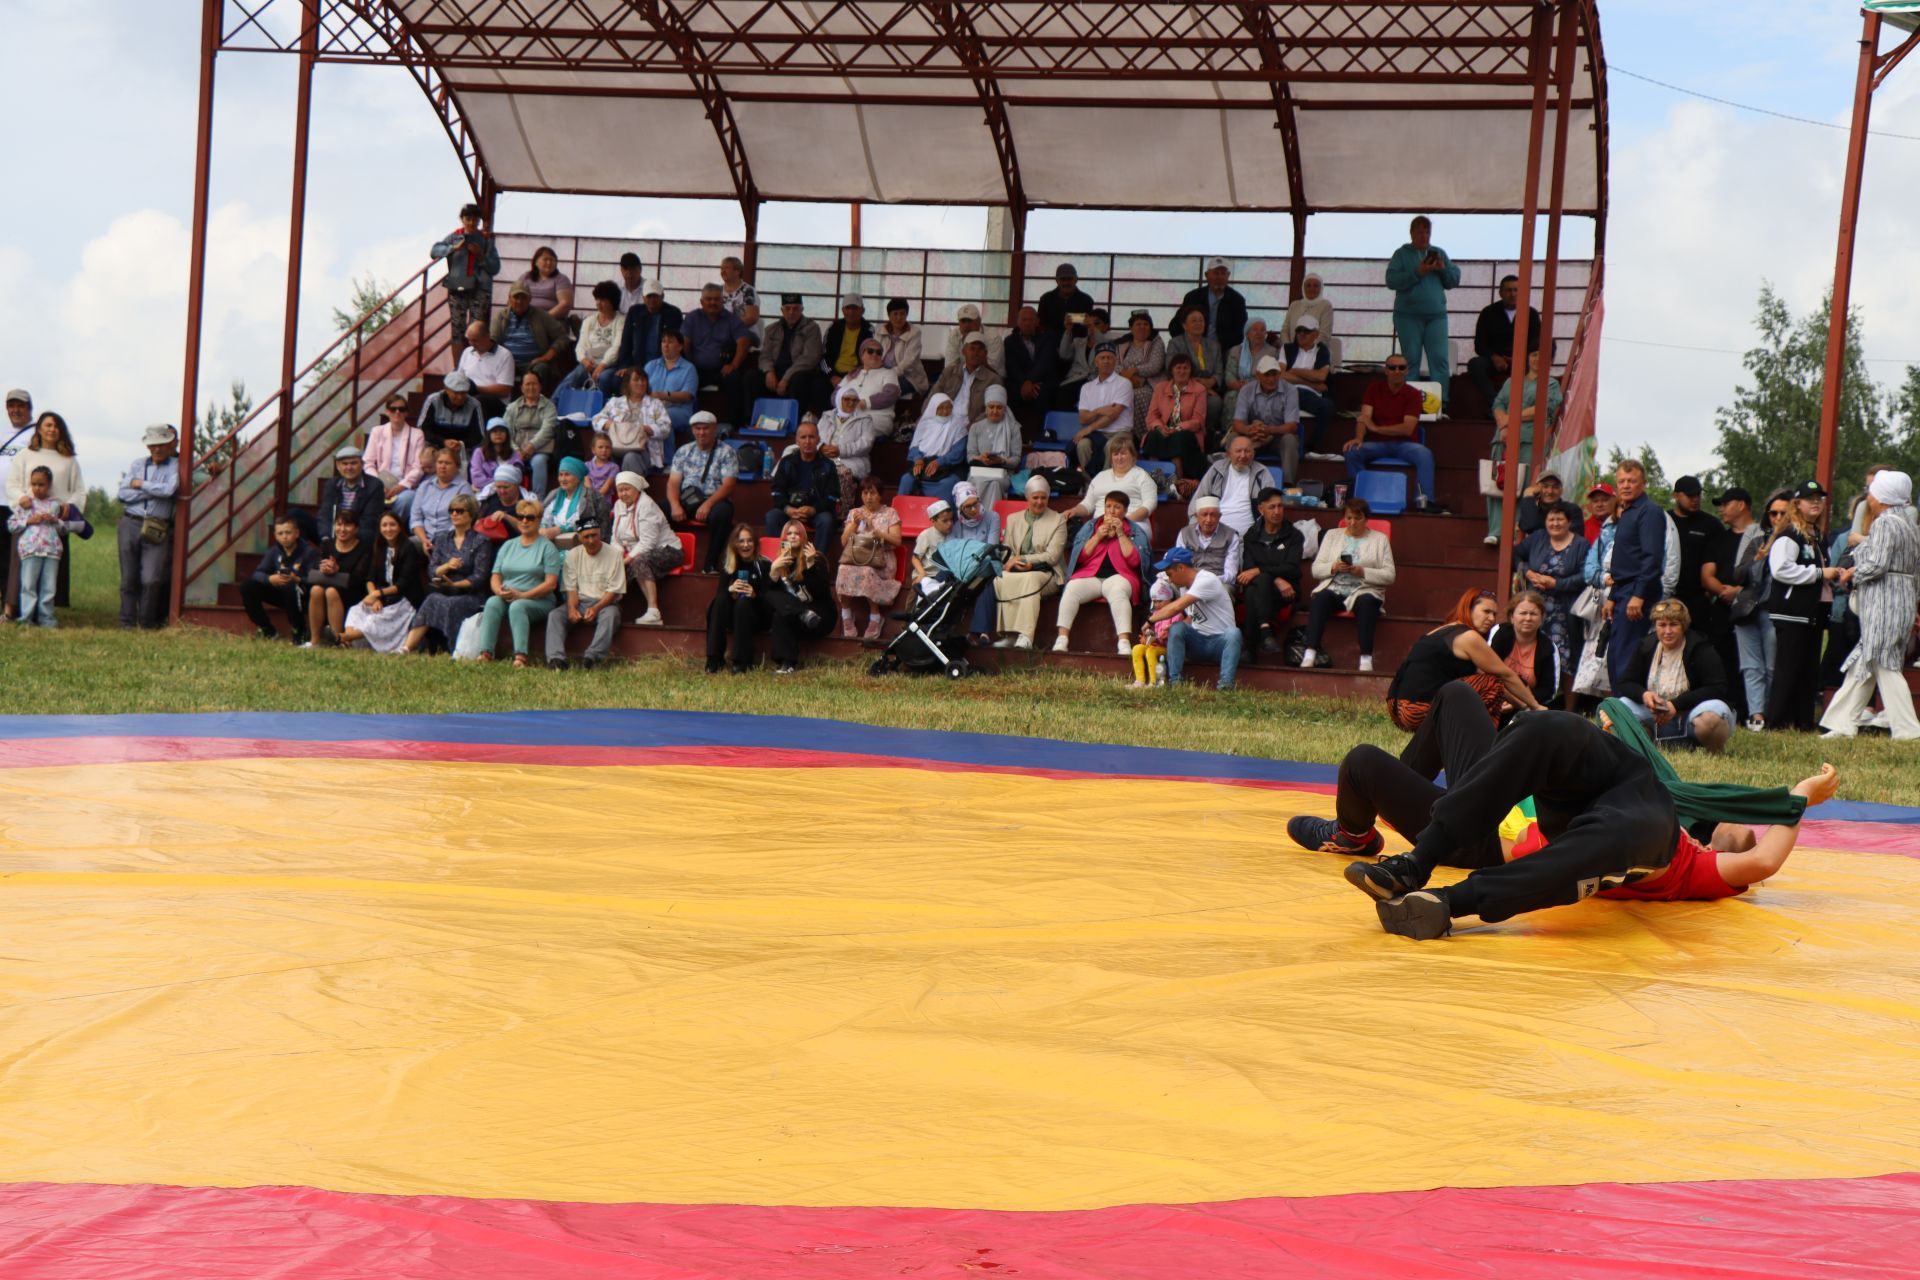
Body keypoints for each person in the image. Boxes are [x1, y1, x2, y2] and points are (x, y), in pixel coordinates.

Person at [1299, 703, 1837, 922]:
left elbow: (1763, 862)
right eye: (1740, 825)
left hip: (1485, 843)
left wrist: (1796, 800)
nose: (1735, 829)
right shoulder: (1663, 793)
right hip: (1491, 797)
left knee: (1363, 762)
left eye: (1735, 834)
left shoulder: (1688, 865)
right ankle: (1368, 839)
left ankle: (1444, 896)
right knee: (1466, 699)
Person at [1820, 469, 1920, 739]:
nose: (1869, 498)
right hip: (1902, 597)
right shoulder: (1910, 525)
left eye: (1873, 492)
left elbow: (1877, 564)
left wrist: (1854, 573)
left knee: (1882, 661)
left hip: (1884, 599)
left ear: (1884, 497)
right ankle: (1841, 723)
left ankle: (1908, 728)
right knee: (1866, 661)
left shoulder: (1886, 523)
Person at [1385, 588, 1544, 755]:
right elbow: (1505, 675)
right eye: (1486, 611)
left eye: (1494, 614)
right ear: (1468, 608)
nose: (1491, 618)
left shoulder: (1444, 630)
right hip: (1415, 709)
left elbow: (1484, 676)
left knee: (1486, 683)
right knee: (1492, 684)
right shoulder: (1467, 637)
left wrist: (1521, 705)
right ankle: (1484, 750)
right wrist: (1535, 706)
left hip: (1396, 707)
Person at [1613, 598, 1734, 749]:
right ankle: (1646, 738)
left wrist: (1675, 705)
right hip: (1655, 711)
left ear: (1683, 626)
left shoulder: (1700, 648)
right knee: (1617, 708)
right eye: (1662, 625)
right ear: (1655, 627)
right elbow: (1626, 682)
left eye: (1674, 625)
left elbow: (1718, 687)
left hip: (1691, 712)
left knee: (1711, 719)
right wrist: (1644, 695)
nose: (1667, 631)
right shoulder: (1646, 645)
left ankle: (1711, 747)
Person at [1299, 497, 1394, 672]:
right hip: (1335, 587)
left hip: (1364, 589)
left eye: (1357, 518)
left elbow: (1390, 575)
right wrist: (1333, 567)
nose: (1352, 523)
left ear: (1366, 519)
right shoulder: (1332, 535)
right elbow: (1315, 570)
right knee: (1320, 599)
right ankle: (1310, 653)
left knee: (1367, 602)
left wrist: (1363, 572)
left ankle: (1366, 658)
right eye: (1349, 518)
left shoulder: (1380, 540)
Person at [5, 409, 84, 618]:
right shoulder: (25, 455)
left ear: (62, 431)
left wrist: (70, 505)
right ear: (39, 428)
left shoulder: (69, 460)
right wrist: (20, 498)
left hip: (54, 521)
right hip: (29, 519)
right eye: (48, 425)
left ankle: (46, 612)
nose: (52, 430)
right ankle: (17, 609)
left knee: (51, 571)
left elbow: (78, 489)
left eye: (56, 426)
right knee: (21, 568)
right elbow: (12, 483)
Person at [470, 498, 565, 666]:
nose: (524, 521)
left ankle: (521, 656)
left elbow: (551, 584)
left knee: (518, 606)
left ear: (539, 520)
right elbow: (495, 575)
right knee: (492, 602)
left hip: (539, 600)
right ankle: (486, 652)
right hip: (509, 596)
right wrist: (499, 591)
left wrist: (523, 595)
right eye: (520, 517)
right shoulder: (508, 545)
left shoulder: (547, 548)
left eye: (530, 517)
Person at [1344, 354, 1442, 514]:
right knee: (1352, 451)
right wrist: (1359, 438)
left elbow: (1407, 428)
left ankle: (1425, 502)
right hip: (1376, 444)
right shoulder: (1373, 388)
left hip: (1405, 444)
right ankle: (1359, 500)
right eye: (1392, 367)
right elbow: (1363, 418)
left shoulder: (1414, 394)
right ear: (1386, 370)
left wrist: (1375, 428)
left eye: (1402, 367)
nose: (1397, 371)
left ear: (1407, 371)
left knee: (1425, 454)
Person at [1484, 346, 1563, 544]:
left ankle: (1516, 530)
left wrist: (1509, 420)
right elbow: (1498, 404)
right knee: (1497, 484)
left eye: (1542, 355)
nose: (1537, 358)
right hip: (1503, 439)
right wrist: (1503, 424)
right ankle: (1496, 530)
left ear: (1551, 360)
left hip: (1529, 441)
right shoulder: (1512, 381)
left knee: (1525, 485)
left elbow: (1543, 408)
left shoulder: (1551, 384)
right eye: (1534, 354)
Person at [1700, 486, 1764, 724]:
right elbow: (1707, 575)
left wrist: (1741, 592)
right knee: (1722, 659)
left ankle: (1754, 710)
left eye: (1725, 504)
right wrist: (1725, 591)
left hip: (1752, 608)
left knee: (1752, 662)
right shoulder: (1719, 538)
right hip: (1722, 609)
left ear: (1741, 505)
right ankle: (1725, 709)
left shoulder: (1761, 535)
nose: (1722, 510)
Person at [1053, 490, 1143, 656]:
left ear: (1124, 511)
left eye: (1117, 507)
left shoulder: (1133, 530)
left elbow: (1135, 561)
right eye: (1108, 506)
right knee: (1072, 587)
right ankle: (1062, 639)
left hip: (1120, 576)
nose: (1112, 511)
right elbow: (1079, 558)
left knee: (1118, 591)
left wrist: (1121, 534)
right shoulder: (1091, 527)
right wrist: (1097, 537)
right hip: (1091, 576)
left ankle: (1123, 642)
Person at [1384, 215, 1460, 407]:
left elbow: (1454, 280)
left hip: (1436, 316)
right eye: (1419, 231)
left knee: (1440, 359)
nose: (1424, 235)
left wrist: (1442, 269)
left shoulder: (1438, 253)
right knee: (1411, 360)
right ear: (1411, 233)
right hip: (1408, 316)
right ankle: (1410, 404)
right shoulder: (1401, 254)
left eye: (1427, 231)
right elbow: (1391, 281)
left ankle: (1439, 404)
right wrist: (1419, 272)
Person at [1604, 458, 1667, 690]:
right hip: (1621, 588)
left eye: (1632, 481)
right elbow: (1624, 559)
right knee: (1616, 651)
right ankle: (1617, 705)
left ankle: (1627, 709)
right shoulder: (1626, 512)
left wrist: (1638, 595)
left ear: (1644, 484)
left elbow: (1652, 558)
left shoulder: (1649, 512)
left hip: (1637, 589)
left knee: (1627, 652)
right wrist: (1612, 596)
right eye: (1621, 481)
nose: (1626, 485)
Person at [406, 493, 493, 653]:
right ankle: (406, 648)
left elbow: (479, 576)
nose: (454, 514)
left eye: (459, 511)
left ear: (471, 514)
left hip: (471, 594)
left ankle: (454, 649)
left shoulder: (481, 541)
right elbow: (432, 570)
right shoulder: (442, 538)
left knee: (451, 604)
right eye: (451, 510)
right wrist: (446, 567)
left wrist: (455, 584)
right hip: (444, 590)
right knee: (432, 599)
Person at [1149, 546, 1243, 690]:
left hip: (1220, 643)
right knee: (1177, 627)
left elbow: (1176, 607)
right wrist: (1174, 630)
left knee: (1233, 633)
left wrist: (1150, 621)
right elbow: (1193, 616)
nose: (1170, 580)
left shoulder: (1206, 579)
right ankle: (1175, 683)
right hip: (1198, 642)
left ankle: (1225, 685)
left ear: (1181, 568)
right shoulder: (1183, 586)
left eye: (1170, 574)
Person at [1516, 505, 1590, 686]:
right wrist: (1528, 573)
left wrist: (1557, 584)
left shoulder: (1581, 544)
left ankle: (1569, 708)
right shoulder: (1538, 538)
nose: (1555, 523)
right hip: (1537, 610)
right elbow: (1516, 554)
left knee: (1566, 657)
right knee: (1534, 654)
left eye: (1560, 519)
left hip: (1566, 611)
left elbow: (1585, 576)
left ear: (1569, 522)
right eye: (1551, 519)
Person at [116, 425, 180, 631]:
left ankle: (147, 622)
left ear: (169, 445)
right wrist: (153, 490)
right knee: (128, 577)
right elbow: (123, 494)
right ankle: (126, 622)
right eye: (153, 445)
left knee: (152, 578)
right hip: (130, 522)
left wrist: (141, 485)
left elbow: (170, 490)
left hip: (158, 525)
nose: (157, 449)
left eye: (161, 445)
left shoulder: (177, 465)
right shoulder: (137, 464)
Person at [993, 475, 1068, 650]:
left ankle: (1026, 635)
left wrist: (1026, 560)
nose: (1040, 502)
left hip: (1047, 573)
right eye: (1035, 497)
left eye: (1044, 497)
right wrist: (1013, 563)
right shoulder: (1013, 519)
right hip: (1018, 570)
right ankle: (1009, 634)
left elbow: (1052, 556)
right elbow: (1008, 548)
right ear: (1027, 498)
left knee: (1030, 579)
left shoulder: (1058, 520)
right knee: (1001, 578)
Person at [539, 517, 625, 670]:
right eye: (586, 537)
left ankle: (593, 658)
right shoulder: (572, 555)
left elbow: (613, 592)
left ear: (601, 534)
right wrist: (572, 608)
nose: (591, 540)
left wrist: (596, 608)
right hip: (580, 602)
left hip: (606, 604)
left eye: (594, 535)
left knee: (610, 615)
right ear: (579, 538)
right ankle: (556, 659)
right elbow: (571, 588)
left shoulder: (614, 554)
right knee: (555, 615)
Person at [7, 466, 83, 627]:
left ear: (49, 485)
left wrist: (55, 521)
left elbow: (63, 528)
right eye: (34, 484)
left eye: (41, 485)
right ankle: (26, 618)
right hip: (30, 549)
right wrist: (28, 521)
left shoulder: (56, 505)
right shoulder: (25, 504)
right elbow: (11, 525)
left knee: (49, 587)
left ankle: (47, 618)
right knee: (28, 585)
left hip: (52, 550)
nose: (37, 488)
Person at [341, 512, 427, 653]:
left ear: (399, 527)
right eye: (384, 525)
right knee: (356, 610)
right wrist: (375, 598)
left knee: (373, 621)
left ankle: (342, 637)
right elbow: (370, 578)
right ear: (380, 529)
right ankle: (347, 641)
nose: (388, 529)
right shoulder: (379, 547)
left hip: (404, 599)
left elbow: (403, 584)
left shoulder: (408, 548)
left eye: (392, 525)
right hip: (383, 596)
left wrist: (377, 593)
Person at [1237, 487, 1305, 660]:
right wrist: (1274, 577)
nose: (1277, 511)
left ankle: (1250, 647)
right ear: (1261, 509)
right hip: (1265, 588)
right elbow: (1249, 568)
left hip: (1287, 590)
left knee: (1256, 585)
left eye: (1280, 506)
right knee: (1256, 586)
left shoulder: (1294, 535)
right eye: (1272, 507)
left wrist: (1262, 571)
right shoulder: (1251, 535)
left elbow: (1292, 568)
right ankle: (1266, 634)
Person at [835, 475, 905, 640]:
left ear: (880, 495)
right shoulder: (854, 512)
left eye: (873, 493)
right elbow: (844, 542)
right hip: (856, 558)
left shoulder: (890, 513)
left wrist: (878, 531)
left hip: (882, 560)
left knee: (866, 571)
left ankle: (875, 616)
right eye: (865, 493)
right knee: (843, 568)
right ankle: (846, 615)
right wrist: (853, 524)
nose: (868, 497)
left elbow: (897, 541)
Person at [667, 412, 738, 571]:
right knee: (657, 509)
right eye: (697, 428)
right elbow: (673, 482)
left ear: (714, 429)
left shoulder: (726, 452)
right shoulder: (683, 451)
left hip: (714, 501)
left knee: (723, 513)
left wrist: (708, 503)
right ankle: (667, 558)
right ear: (692, 430)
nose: (701, 432)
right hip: (687, 500)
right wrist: (674, 505)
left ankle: (710, 564)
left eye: (705, 428)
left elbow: (729, 484)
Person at [765, 518, 835, 674]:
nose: (792, 536)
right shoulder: (780, 561)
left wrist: (810, 565)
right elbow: (768, 595)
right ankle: (786, 664)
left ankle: (803, 613)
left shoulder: (817, 558)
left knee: (784, 612)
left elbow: (822, 594)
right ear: (783, 538)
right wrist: (774, 571)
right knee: (777, 607)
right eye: (788, 533)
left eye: (797, 533)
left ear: (804, 538)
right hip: (797, 614)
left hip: (818, 616)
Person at [607, 471, 676, 627]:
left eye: (627, 489)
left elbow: (648, 542)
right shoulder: (618, 505)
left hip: (668, 549)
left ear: (637, 489)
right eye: (620, 490)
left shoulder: (647, 505)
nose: (623, 494)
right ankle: (608, 605)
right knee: (610, 562)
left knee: (638, 561)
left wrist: (625, 560)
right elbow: (615, 537)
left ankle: (654, 612)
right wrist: (616, 555)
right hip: (634, 550)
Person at [682, 283, 755, 426]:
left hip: (722, 368)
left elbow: (744, 341)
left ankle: (734, 424)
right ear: (702, 302)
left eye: (716, 299)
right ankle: (689, 422)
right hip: (696, 368)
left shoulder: (732, 319)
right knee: (685, 379)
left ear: (722, 301)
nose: (712, 303)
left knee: (734, 379)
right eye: (708, 299)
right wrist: (687, 365)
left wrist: (733, 364)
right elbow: (684, 342)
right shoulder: (692, 317)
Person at [430, 203, 499, 353]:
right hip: (458, 287)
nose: (472, 222)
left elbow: (495, 268)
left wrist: (480, 255)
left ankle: (474, 366)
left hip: (480, 290)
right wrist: (453, 248)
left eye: (475, 219)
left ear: (479, 221)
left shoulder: (485, 240)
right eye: (468, 218)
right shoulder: (454, 237)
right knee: (457, 331)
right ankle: (458, 370)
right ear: (462, 219)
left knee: (477, 332)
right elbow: (434, 251)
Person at [302, 508, 376, 647]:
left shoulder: (364, 548)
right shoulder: (327, 544)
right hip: (327, 587)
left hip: (352, 592)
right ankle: (314, 641)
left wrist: (337, 570)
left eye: (347, 525)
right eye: (339, 524)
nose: (342, 529)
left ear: (356, 529)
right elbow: (314, 570)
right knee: (316, 590)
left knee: (331, 591)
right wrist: (323, 567)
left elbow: (359, 578)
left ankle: (338, 641)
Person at [1466, 274, 1542, 410]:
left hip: (1522, 360)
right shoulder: (1488, 313)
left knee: (1533, 365)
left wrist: (1519, 358)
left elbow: (1537, 343)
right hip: (1494, 359)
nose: (1513, 294)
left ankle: (1521, 407)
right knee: (1475, 364)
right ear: (1500, 293)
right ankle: (1496, 405)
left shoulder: (1531, 314)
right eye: (1508, 290)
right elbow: (1479, 343)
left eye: (1516, 290)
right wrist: (1494, 357)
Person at [240, 514, 319, 643]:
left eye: (288, 532)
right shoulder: (274, 552)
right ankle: (267, 629)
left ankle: (299, 630)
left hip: (302, 595)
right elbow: (258, 573)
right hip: (280, 592)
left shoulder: (309, 552)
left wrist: (297, 579)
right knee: (247, 586)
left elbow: (315, 579)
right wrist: (270, 579)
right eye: (280, 533)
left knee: (289, 586)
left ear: (297, 533)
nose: (285, 537)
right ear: (275, 536)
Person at [602, 279, 684, 398]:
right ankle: (614, 410)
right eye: (649, 296)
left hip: (662, 366)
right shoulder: (635, 312)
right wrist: (624, 365)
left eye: (655, 296)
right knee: (614, 380)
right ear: (643, 297)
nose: (652, 300)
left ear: (662, 296)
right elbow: (626, 342)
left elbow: (677, 343)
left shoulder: (673, 313)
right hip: (636, 365)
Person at [707, 523, 771, 674]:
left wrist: (755, 595)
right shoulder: (728, 563)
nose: (746, 545)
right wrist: (730, 589)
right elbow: (720, 593)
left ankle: (741, 661)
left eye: (749, 541)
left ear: (755, 544)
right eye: (741, 541)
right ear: (735, 544)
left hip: (757, 616)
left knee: (743, 603)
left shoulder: (764, 564)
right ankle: (714, 659)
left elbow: (769, 599)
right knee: (719, 601)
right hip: (732, 616)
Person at [1141, 353, 1210, 492]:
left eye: (1186, 368)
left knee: (1179, 438)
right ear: (1171, 370)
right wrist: (1160, 427)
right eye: (1178, 368)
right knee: (1154, 435)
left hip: (1188, 433)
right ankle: (1154, 480)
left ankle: (1179, 483)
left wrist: (1178, 427)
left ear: (1191, 370)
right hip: (1165, 430)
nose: (1182, 371)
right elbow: (1152, 416)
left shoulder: (1199, 389)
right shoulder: (1161, 388)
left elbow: (1198, 420)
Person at [766, 418, 840, 547]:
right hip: (791, 510)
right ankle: (782, 558)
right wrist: (787, 509)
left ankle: (816, 561)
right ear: (797, 440)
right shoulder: (787, 462)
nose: (807, 441)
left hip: (816, 512)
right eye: (803, 437)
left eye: (811, 437)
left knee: (827, 520)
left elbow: (833, 496)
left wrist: (813, 510)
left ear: (818, 439)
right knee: (772, 517)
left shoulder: (828, 465)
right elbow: (777, 492)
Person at [1229, 357, 1303, 483]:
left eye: (1274, 374)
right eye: (1267, 375)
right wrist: (1249, 430)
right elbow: (1237, 422)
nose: (1271, 379)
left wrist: (1269, 430)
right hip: (1253, 436)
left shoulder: (1290, 390)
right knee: (1234, 438)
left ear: (1279, 374)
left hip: (1277, 437)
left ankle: (1287, 485)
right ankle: (1235, 481)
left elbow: (1292, 426)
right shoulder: (1246, 390)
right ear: (1258, 375)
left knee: (1290, 440)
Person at [1488, 590, 1561, 713]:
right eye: (1523, 613)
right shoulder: (1499, 634)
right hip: (1494, 698)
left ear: (1541, 618)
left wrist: (1517, 702)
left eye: (1533, 614)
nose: (1528, 618)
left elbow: (1549, 691)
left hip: (1529, 707)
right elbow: (1487, 671)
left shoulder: (1549, 648)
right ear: (1512, 617)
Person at [1667, 474, 1724, 627]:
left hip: (1699, 598)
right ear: (1676, 496)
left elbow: (1722, 559)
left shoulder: (1712, 524)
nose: (1695, 499)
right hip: (1668, 596)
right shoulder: (1664, 521)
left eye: (1698, 494)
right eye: (1690, 495)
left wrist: (1711, 591)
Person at [593, 366, 672, 476]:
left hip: (643, 450)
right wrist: (610, 425)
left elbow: (666, 427)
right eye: (636, 379)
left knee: (630, 457)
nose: (640, 383)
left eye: (643, 380)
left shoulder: (655, 403)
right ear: (627, 383)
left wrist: (645, 429)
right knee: (603, 454)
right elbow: (596, 420)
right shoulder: (615, 402)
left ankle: (630, 491)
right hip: (616, 446)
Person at [950, 481, 1003, 643]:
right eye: (968, 507)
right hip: (965, 568)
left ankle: (981, 633)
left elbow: (991, 547)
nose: (974, 509)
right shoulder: (956, 525)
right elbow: (956, 552)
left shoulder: (992, 517)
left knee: (986, 582)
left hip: (986, 563)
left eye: (976, 503)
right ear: (960, 509)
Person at [490, 283, 570, 390]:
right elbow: (492, 339)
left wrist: (547, 356)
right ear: (509, 298)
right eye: (516, 297)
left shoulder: (542, 316)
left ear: (530, 299)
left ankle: (535, 402)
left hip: (533, 363)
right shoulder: (501, 316)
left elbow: (562, 337)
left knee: (542, 368)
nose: (519, 301)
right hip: (507, 361)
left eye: (524, 298)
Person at [1193, 435, 1277, 535]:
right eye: (1238, 451)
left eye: (1247, 451)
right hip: (1214, 535)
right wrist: (1195, 531)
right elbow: (1196, 502)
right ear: (1229, 454)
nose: (1243, 455)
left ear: (1253, 453)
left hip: (1248, 538)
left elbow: (1272, 507)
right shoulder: (1216, 470)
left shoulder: (1262, 473)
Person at [817, 384, 884, 511]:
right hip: (824, 457)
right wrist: (821, 447)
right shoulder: (826, 416)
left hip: (851, 461)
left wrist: (840, 450)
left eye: (854, 400)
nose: (851, 403)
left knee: (840, 473)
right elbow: (816, 436)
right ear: (839, 399)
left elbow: (866, 443)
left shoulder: (865, 419)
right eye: (846, 399)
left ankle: (842, 514)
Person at [1072, 343, 1136, 472]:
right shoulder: (1087, 387)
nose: (1106, 361)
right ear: (1096, 362)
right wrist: (1100, 410)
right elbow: (1082, 419)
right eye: (1102, 358)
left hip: (1120, 433)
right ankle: (1088, 483)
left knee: (1111, 446)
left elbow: (1113, 415)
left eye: (1109, 357)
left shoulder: (1124, 383)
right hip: (1098, 433)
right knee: (1082, 444)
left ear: (1115, 361)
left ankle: (1107, 484)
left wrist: (1089, 427)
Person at [1163, 306, 1224, 441]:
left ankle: (1207, 435)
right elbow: (1171, 368)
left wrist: (1212, 381)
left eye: (1201, 321)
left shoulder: (1214, 345)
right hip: (1185, 387)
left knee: (1215, 402)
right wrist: (1199, 386)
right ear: (1184, 325)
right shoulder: (1176, 343)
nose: (1198, 324)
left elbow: (1219, 372)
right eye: (1194, 321)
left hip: (1208, 388)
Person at [759, 293, 824, 413]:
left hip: (798, 373)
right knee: (751, 377)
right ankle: (751, 420)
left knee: (799, 379)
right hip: (775, 372)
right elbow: (765, 355)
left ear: (802, 309)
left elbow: (810, 358)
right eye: (787, 309)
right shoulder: (771, 329)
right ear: (782, 310)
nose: (791, 312)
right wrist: (769, 371)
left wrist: (786, 378)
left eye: (795, 309)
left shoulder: (811, 328)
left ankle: (795, 422)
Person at [364, 396, 426, 523]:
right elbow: (368, 463)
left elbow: (418, 467)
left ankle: (389, 527)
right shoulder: (377, 432)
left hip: (405, 485)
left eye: (401, 409)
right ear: (387, 411)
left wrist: (402, 485)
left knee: (407, 499)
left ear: (406, 413)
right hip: (380, 484)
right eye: (393, 409)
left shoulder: (417, 434)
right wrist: (378, 484)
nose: (397, 412)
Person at [1072, 434, 1157, 526]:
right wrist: (1073, 511)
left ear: (1133, 456)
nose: (1119, 458)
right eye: (1116, 454)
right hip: (1100, 526)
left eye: (1123, 453)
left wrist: (1124, 523)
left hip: (1133, 525)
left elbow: (1150, 504)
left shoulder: (1142, 476)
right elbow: (1087, 504)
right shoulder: (1100, 477)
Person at [1279, 316, 1337, 447]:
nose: (1302, 334)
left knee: (1328, 407)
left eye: (1306, 331)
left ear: (1316, 334)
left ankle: (1313, 447)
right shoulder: (1287, 348)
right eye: (1299, 330)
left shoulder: (1322, 350)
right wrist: (1311, 383)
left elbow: (1321, 376)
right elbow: (1281, 375)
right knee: (1294, 392)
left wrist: (1294, 370)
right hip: (1289, 391)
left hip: (1312, 395)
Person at [899, 393, 968, 502]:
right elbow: (914, 446)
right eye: (940, 408)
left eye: (948, 407)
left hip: (948, 467)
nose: (945, 411)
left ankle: (943, 517)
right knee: (907, 480)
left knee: (948, 483)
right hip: (924, 464)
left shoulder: (958, 425)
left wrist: (939, 461)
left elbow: (958, 452)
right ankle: (905, 514)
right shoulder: (924, 424)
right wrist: (918, 459)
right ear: (933, 408)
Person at [315, 444, 386, 545]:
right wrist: (326, 537)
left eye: (353, 463)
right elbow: (325, 514)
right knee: (296, 515)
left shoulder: (375, 485)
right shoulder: (332, 484)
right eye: (345, 464)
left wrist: (345, 533)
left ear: (362, 465)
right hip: (335, 530)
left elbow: (370, 519)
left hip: (357, 532)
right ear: (338, 466)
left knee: (368, 534)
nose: (349, 467)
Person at [562, 280, 625, 392]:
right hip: (589, 362)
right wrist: (584, 360)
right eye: (597, 299)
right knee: (573, 377)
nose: (598, 303)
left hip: (609, 364)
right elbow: (580, 345)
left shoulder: (621, 321)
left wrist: (602, 365)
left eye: (603, 300)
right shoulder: (589, 321)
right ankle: (554, 402)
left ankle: (599, 408)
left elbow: (616, 347)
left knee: (603, 378)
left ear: (612, 302)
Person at [966, 383, 1022, 510]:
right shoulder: (976, 427)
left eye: (999, 407)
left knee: (995, 484)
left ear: (1004, 408)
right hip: (978, 472)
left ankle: (991, 522)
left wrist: (1002, 460)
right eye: (991, 407)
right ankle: (977, 518)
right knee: (979, 481)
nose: (995, 411)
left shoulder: (1013, 428)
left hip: (1002, 473)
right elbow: (970, 456)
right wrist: (980, 458)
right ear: (986, 408)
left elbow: (1016, 459)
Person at [1174, 256, 1248, 351]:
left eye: (1223, 273)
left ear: (1228, 275)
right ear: (1206, 275)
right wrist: (1186, 343)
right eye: (1216, 273)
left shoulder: (1237, 300)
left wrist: (1222, 346)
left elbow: (1241, 331)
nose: (1220, 277)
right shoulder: (1193, 297)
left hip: (1224, 351)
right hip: (1192, 347)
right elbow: (1175, 325)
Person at [407, 446, 475, 550]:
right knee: (405, 546)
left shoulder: (463, 488)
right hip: (424, 538)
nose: (443, 466)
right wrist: (424, 540)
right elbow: (416, 518)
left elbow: (462, 521)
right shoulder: (425, 486)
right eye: (440, 462)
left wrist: (441, 542)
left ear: (457, 466)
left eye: (447, 463)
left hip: (451, 540)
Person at [1003, 305, 1063, 424]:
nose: (1027, 323)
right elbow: (1012, 366)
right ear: (1018, 322)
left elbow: (1046, 362)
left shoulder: (1048, 336)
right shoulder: (1010, 340)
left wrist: (1030, 381)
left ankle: (1046, 432)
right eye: (1024, 320)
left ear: (1037, 321)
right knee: (1011, 393)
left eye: (1030, 320)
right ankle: (1010, 432)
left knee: (1043, 394)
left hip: (1043, 379)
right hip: (1020, 380)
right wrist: (1024, 383)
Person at [504, 370, 559, 496]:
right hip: (516, 450)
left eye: (534, 384)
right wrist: (517, 450)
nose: (531, 387)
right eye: (527, 384)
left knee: (539, 462)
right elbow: (506, 431)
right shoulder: (512, 407)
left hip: (540, 449)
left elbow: (548, 429)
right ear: (522, 387)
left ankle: (538, 501)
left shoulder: (549, 406)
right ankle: (513, 498)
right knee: (510, 463)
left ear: (540, 386)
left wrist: (531, 446)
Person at [930, 332, 1004, 424]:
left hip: (971, 426)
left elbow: (993, 410)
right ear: (963, 351)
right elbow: (933, 395)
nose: (976, 353)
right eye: (972, 349)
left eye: (980, 349)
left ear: (985, 353)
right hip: (943, 420)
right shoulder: (950, 372)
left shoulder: (993, 380)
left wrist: (975, 425)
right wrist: (924, 415)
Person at [540, 455, 609, 550]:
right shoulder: (554, 495)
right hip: (554, 546)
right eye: (561, 474)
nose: (563, 479)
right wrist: (543, 529)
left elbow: (593, 524)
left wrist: (560, 530)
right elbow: (545, 519)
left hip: (584, 547)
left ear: (578, 477)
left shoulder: (592, 496)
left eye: (567, 474)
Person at [1112, 308, 1166, 427]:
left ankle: (1142, 434)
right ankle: (1118, 431)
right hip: (1123, 382)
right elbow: (1113, 364)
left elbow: (1155, 366)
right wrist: (1125, 375)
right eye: (1138, 324)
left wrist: (1134, 370)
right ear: (1131, 328)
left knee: (1137, 395)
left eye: (1146, 324)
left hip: (1149, 384)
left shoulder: (1156, 342)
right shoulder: (1122, 344)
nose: (1142, 327)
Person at [838, 337, 902, 437]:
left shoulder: (888, 373)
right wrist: (846, 404)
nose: (874, 355)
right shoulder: (851, 375)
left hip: (875, 418)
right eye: (870, 351)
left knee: (848, 431)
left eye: (878, 352)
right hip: (848, 417)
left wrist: (865, 402)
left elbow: (891, 395)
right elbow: (834, 396)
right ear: (862, 355)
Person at [1174, 495, 1242, 587]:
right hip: (1189, 581)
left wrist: (1205, 581)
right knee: (1162, 588)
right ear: (1196, 516)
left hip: (1219, 583)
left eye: (1213, 515)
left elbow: (1230, 575)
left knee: (1225, 590)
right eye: (1204, 515)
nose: (1209, 520)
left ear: (1219, 516)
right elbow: (1179, 565)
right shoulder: (1185, 533)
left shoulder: (1231, 536)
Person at [455, 320, 517, 415]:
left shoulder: (505, 355)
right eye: (469, 340)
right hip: (467, 395)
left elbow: (505, 389)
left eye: (475, 340)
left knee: (478, 401)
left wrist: (476, 389)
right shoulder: (467, 352)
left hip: (495, 402)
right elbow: (459, 377)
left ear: (487, 337)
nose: (471, 343)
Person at [1055, 307, 1111, 409]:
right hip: (1076, 379)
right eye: (1089, 323)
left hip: (1095, 380)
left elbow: (1103, 347)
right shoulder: (1078, 341)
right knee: (1062, 394)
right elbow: (1064, 354)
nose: (1091, 326)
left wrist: (1092, 327)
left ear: (1106, 327)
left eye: (1096, 323)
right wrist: (1068, 330)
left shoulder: (1108, 343)